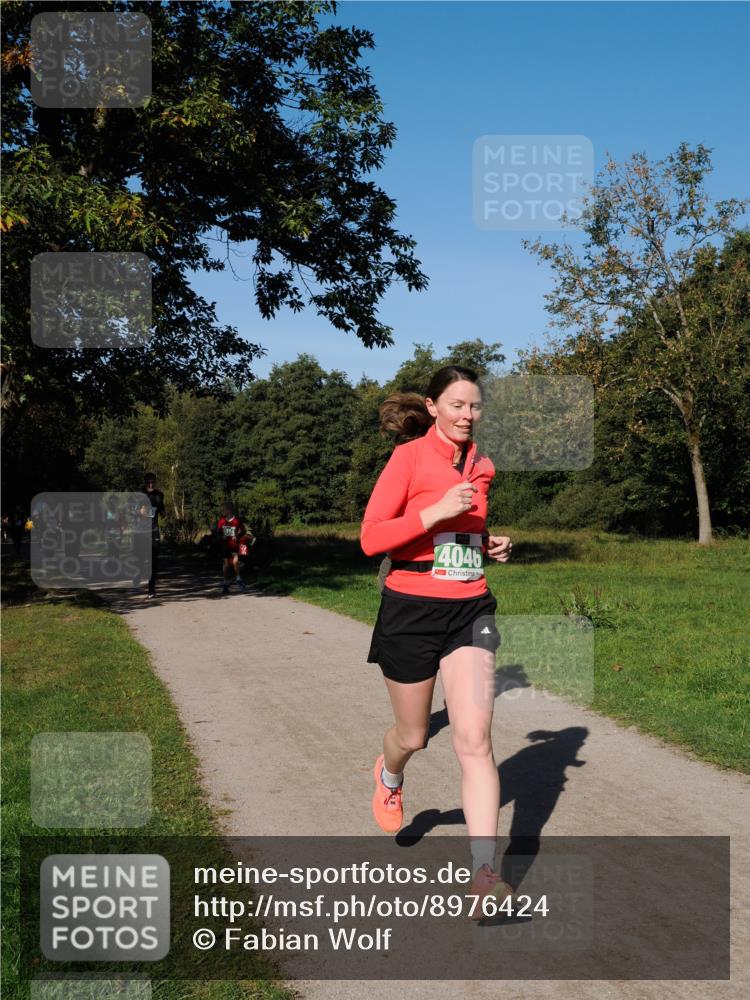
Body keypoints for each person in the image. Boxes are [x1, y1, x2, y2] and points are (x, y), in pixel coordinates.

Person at [360, 365, 514, 918]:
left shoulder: (482, 464)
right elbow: (371, 536)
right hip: (411, 608)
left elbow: (464, 532)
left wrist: (487, 544)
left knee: (474, 739)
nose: (467, 416)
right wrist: (433, 512)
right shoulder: (408, 459)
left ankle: (483, 875)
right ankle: (389, 772)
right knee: (415, 734)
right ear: (432, 406)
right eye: (456, 405)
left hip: (471, 606)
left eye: (474, 407)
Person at [135, 473, 165, 599]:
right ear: (145, 482)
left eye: (153, 482)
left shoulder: (159, 495)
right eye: (149, 482)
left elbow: (162, 509)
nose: (151, 484)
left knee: (154, 560)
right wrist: (138, 511)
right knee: (141, 559)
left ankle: (151, 589)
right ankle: (139, 573)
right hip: (140, 531)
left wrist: (163, 512)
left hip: (153, 530)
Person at [215, 501, 248, 595]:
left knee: (235, 561)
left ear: (228, 510)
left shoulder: (236, 520)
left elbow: (243, 530)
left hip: (234, 545)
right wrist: (221, 536)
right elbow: (218, 532)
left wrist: (237, 536)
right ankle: (225, 583)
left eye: (223, 509)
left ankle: (238, 578)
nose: (222, 511)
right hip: (225, 545)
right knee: (226, 564)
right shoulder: (222, 521)